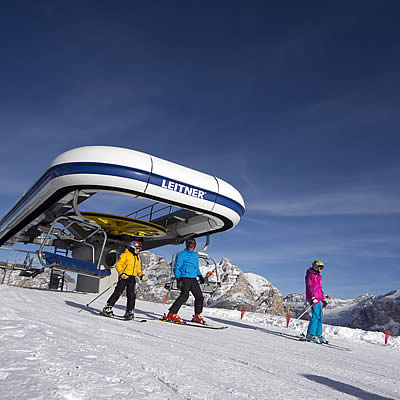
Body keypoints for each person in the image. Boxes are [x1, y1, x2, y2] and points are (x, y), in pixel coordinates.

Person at [165, 238, 206, 323]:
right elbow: (177, 267)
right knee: (184, 296)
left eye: (193, 246)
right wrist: (178, 279)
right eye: (190, 245)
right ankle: (171, 314)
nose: (192, 247)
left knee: (199, 296)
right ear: (187, 245)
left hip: (193, 278)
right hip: (184, 277)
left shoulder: (195, 255)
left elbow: (196, 267)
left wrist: (200, 276)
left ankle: (197, 315)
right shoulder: (181, 255)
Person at [102, 241, 145, 319]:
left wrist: (140, 274)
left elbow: (138, 269)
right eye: (137, 248)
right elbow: (119, 265)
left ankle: (129, 311)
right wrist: (121, 273)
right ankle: (107, 307)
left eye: (139, 249)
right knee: (118, 292)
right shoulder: (125, 255)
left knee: (131, 295)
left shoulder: (137, 258)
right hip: (124, 277)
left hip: (132, 278)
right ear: (132, 248)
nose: (138, 250)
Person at [305, 260, 328, 343]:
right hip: (313, 297)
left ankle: (318, 334)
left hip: (318, 298)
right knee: (315, 315)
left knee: (320, 316)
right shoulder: (310, 274)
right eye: (320, 267)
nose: (321, 270)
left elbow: (319, 289)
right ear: (315, 266)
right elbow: (309, 286)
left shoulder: (318, 276)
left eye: (322, 268)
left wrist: (323, 299)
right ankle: (310, 335)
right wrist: (312, 297)